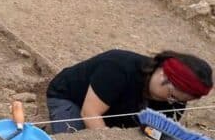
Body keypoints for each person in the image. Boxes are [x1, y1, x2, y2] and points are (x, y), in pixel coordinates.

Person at [47, 50, 212, 134]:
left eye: (178, 101)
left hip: (114, 112)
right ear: (164, 74)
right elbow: (90, 112)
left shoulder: (175, 100)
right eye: (171, 96)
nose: (171, 103)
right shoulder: (118, 68)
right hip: (71, 98)